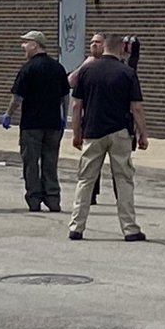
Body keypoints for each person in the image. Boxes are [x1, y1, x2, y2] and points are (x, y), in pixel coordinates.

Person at [68, 32, 150, 241]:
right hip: (120, 131)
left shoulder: (86, 71)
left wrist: (76, 133)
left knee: (86, 179)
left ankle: (77, 226)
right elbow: (137, 108)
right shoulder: (127, 72)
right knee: (123, 179)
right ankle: (130, 228)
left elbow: (76, 105)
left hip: (93, 131)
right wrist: (143, 134)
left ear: (104, 46)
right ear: (122, 48)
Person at [1, 31, 70, 212]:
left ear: (35, 45)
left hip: (32, 125)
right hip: (53, 124)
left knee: (31, 163)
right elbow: (65, 95)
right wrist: (64, 116)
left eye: (26, 43)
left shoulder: (28, 69)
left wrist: (8, 114)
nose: (23, 46)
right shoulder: (57, 67)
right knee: (50, 162)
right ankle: (53, 198)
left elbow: (17, 97)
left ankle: (34, 198)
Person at [68, 32, 105, 204]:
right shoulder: (87, 66)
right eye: (91, 42)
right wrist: (83, 66)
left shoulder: (114, 65)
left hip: (113, 121)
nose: (93, 45)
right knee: (90, 161)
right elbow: (70, 81)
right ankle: (91, 194)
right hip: (91, 120)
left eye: (97, 42)